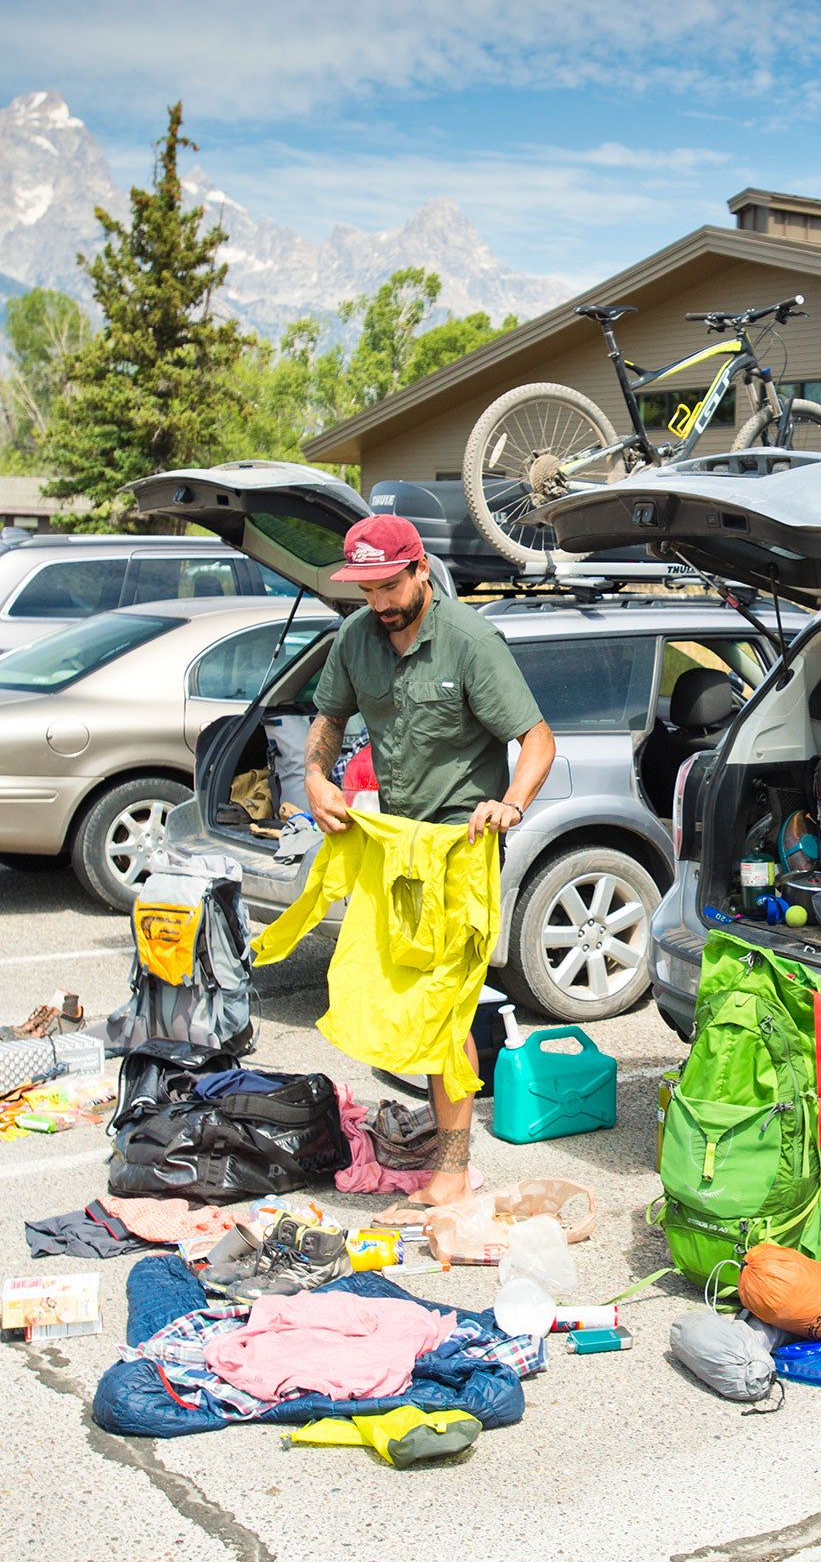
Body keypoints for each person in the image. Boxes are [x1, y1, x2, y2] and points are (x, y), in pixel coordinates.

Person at [303, 514, 554, 1205]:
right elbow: (329, 719)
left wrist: (511, 803)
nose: (380, 604)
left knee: (445, 1013)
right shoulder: (357, 638)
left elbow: (536, 739)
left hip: (461, 851)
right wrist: (318, 777)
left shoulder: (470, 641)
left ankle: (454, 1168)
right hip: (395, 850)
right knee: (404, 998)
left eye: (389, 586)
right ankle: (444, 1149)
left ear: (419, 571)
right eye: (367, 590)